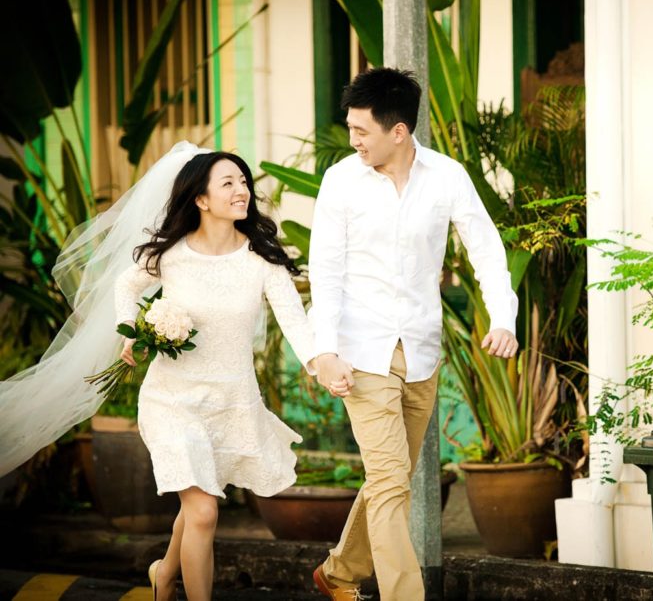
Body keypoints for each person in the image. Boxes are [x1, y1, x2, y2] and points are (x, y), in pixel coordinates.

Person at [0, 142, 317, 601]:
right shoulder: (171, 255)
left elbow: (295, 322)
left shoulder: (261, 260)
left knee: (197, 506)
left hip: (231, 403)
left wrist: (318, 363)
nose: (242, 190)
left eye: (244, 181)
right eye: (228, 183)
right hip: (172, 400)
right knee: (205, 511)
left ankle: (163, 573)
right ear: (201, 199)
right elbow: (127, 286)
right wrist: (130, 331)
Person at [308, 68, 519, 601]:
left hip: (421, 351)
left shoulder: (447, 176)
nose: (353, 139)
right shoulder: (341, 181)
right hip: (361, 354)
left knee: (389, 482)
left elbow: (487, 249)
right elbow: (325, 272)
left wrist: (503, 318)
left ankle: (337, 573)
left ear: (398, 131)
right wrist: (324, 351)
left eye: (362, 130)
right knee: (388, 481)